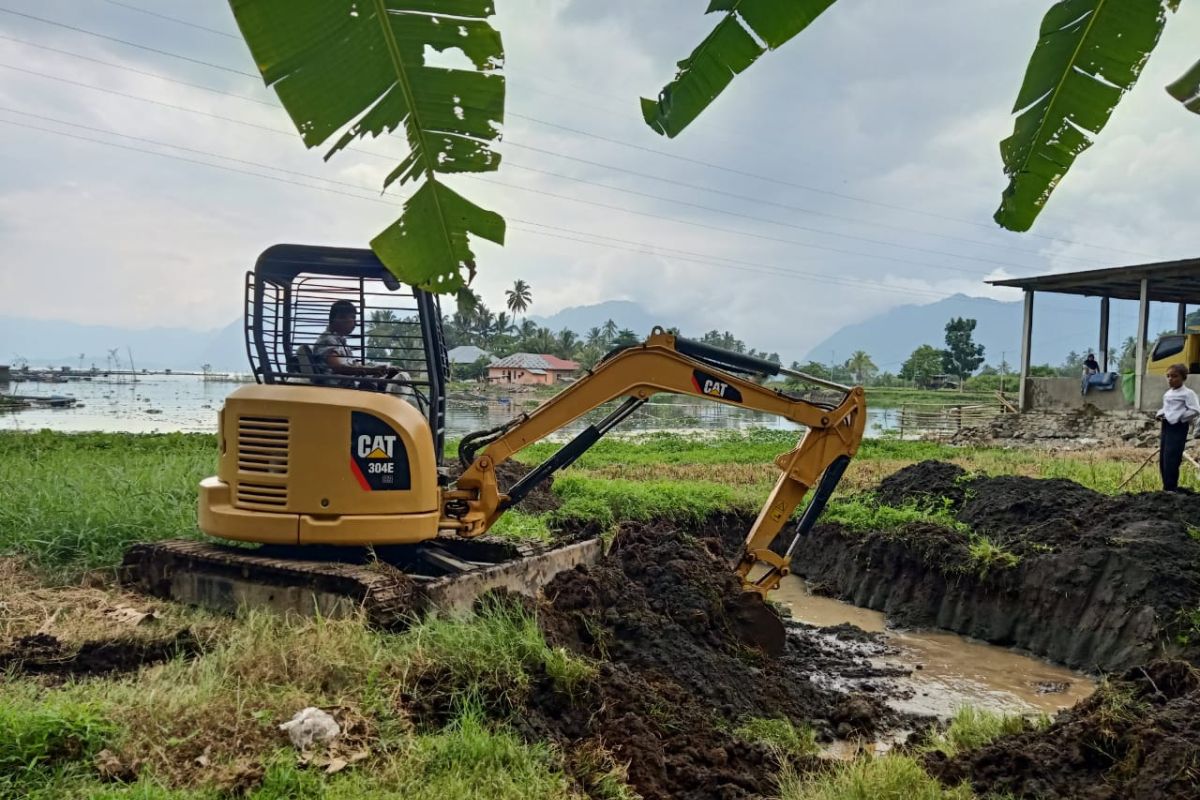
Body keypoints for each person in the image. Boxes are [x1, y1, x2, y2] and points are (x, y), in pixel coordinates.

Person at [314, 300, 402, 390]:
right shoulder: (327, 340)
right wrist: (371, 371)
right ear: (339, 318)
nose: (355, 323)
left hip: (349, 388)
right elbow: (337, 367)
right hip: (340, 391)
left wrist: (381, 369)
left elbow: (353, 365)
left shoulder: (340, 341)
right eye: (352, 318)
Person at [1155, 363, 1200, 492]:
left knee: (1172, 456)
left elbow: (1195, 410)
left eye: (1174, 376)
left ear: (1183, 377)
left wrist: (1180, 418)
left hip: (1178, 427)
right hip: (1166, 425)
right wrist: (1161, 414)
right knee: (1163, 456)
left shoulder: (1188, 393)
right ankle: (1166, 487)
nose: (1170, 379)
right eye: (1168, 376)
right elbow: (1168, 409)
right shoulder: (1168, 393)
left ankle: (1171, 486)